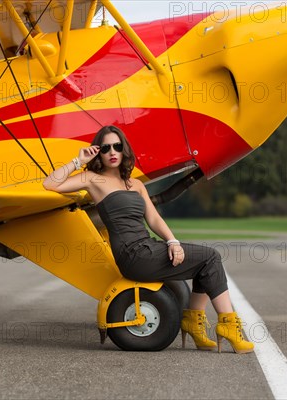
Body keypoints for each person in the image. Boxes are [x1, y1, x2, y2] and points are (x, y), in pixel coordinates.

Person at [43, 125, 254, 354]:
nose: (112, 151)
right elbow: (50, 184)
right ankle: (227, 325)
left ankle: (195, 323)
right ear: (99, 152)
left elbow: (153, 219)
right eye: (105, 148)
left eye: (117, 146)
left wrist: (173, 242)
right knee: (210, 257)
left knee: (204, 261)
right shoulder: (93, 179)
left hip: (149, 247)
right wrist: (78, 160)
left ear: (124, 150)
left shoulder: (136, 184)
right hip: (133, 255)